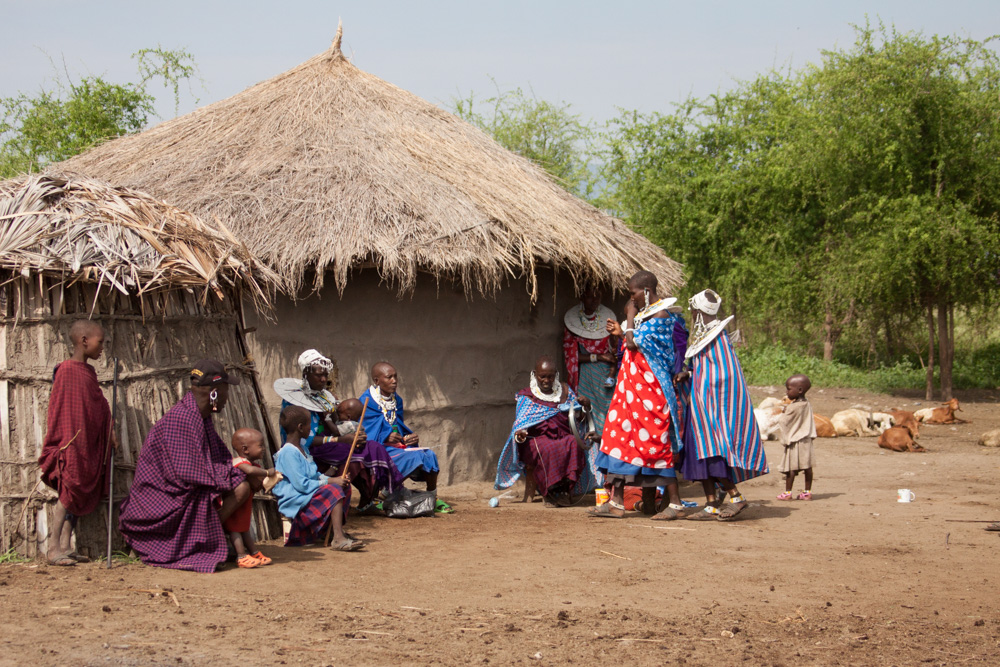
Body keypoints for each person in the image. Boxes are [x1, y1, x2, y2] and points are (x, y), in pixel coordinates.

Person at [118, 360, 256, 572]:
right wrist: (236, 472)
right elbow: (189, 472)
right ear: (214, 392)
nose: (228, 398)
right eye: (226, 390)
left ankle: (209, 541)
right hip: (162, 499)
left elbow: (218, 458)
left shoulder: (200, 417)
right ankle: (198, 544)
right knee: (241, 487)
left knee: (243, 483)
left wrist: (240, 469)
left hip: (184, 490)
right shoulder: (182, 419)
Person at [589, 271, 688, 520]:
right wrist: (625, 329)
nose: (631, 298)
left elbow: (633, 344)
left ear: (645, 290)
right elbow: (629, 344)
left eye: (633, 293)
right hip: (630, 392)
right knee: (618, 439)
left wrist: (629, 319)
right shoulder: (646, 316)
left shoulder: (662, 315)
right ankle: (617, 502)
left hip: (650, 392)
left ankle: (675, 504)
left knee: (654, 444)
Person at [274, 350, 402, 513]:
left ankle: (371, 497)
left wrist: (353, 435)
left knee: (374, 447)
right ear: (306, 374)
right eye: (319, 375)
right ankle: (337, 505)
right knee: (349, 453)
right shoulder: (294, 402)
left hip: (329, 442)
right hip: (308, 449)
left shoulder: (324, 397)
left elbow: (334, 424)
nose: (323, 379)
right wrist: (340, 441)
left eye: (325, 375)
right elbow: (303, 440)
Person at [678, 289, 768, 521]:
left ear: (698, 312)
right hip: (699, 407)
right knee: (699, 453)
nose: (691, 314)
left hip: (711, 408)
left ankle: (736, 497)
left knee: (714, 452)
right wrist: (689, 375)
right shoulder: (703, 336)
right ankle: (711, 505)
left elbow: (724, 375)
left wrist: (703, 386)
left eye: (693, 311)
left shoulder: (718, 338)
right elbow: (703, 369)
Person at [37, 319, 117, 566]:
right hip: (71, 443)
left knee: (80, 493)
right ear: (84, 341)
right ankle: (52, 549)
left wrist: (109, 426)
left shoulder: (88, 372)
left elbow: (96, 404)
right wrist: (68, 441)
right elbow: (62, 409)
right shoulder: (67, 371)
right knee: (68, 492)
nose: (102, 347)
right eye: (100, 342)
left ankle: (66, 546)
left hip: (88, 443)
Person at [495, 356, 592, 506]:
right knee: (547, 448)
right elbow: (520, 424)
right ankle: (551, 491)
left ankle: (564, 489)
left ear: (556, 375)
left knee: (574, 442)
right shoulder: (527, 396)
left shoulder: (565, 391)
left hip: (562, 436)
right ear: (535, 374)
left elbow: (578, 420)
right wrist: (521, 433)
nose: (547, 380)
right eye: (543, 376)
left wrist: (586, 407)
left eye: (551, 376)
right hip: (534, 440)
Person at [273, 406, 363, 551]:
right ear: (301, 427)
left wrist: (337, 478)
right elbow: (302, 485)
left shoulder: (303, 450)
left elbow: (315, 476)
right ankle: (338, 539)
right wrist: (331, 481)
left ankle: (334, 531)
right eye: (310, 424)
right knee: (334, 489)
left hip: (307, 496)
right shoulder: (288, 453)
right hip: (297, 500)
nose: (312, 428)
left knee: (343, 487)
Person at [562, 286, 618, 490]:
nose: (594, 299)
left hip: (606, 380)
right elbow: (571, 356)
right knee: (588, 421)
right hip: (585, 377)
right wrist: (598, 356)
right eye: (590, 295)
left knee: (608, 421)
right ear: (581, 296)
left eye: (598, 295)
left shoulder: (607, 321)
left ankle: (611, 476)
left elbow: (615, 353)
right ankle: (591, 477)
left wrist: (610, 366)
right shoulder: (572, 324)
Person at [359, 362, 440, 493]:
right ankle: (387, 491)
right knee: (414, 457)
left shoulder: (397, 400)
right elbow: (364, 435)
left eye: (395, 376)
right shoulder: (366, 402)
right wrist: (385, 436)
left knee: (429, 455)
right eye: (389, 377)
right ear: (377, 381)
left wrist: (407, 438)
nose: (394, 381)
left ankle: (432, 495)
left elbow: (398, 426)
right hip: (377, 450)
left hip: (396, 447)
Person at [225, 428, 277, 568]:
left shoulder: (253, 465)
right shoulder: (238, 462)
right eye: (260, 446)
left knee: (244, 528)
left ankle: (254, 552)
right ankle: (241, 556)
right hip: (235, 506)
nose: (263, 449)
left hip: (244, 506)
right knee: (235, 530)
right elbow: (249, 471)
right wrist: (267, 472)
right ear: (245, 449)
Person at [776, 375, 816, 501]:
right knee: (807, 467)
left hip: (795, 441)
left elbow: (784, 422)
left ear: (799, 390)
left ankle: (788, 493)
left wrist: (783, 412)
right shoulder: (806, 403)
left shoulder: (794, 407)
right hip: (806, 440)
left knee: (791, 468)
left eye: (788, 389)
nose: (786, 392)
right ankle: (807, 492)